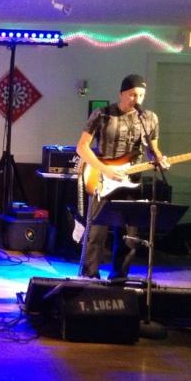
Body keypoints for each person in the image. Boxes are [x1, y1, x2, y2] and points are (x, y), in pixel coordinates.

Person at [76, 74, 169, 280]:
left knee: (129, 236)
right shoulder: (102, 115)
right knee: (96, 233)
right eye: (132, 94)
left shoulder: (149, 118)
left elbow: (152, 150)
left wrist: (159, 158)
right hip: (103, 178)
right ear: (121, 94)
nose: (137, 99)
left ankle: (119, 278)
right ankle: (89, 277)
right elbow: (82, 147)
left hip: (131, 182)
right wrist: (105, 169)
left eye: (141, 95)